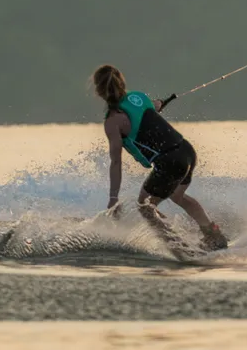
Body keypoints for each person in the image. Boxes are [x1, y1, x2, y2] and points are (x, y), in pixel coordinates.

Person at [91, 64, 228, 251]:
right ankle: (213, 235)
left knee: (145, 207)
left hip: (170, 162)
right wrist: (158, 105)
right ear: (121, 83)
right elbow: (154, 105)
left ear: (99, 91)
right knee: (177, 196)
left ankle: (181, 247)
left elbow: (116, 162)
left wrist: (113, 198)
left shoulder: (113, 121)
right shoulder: (138, 97)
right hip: (186, 151)